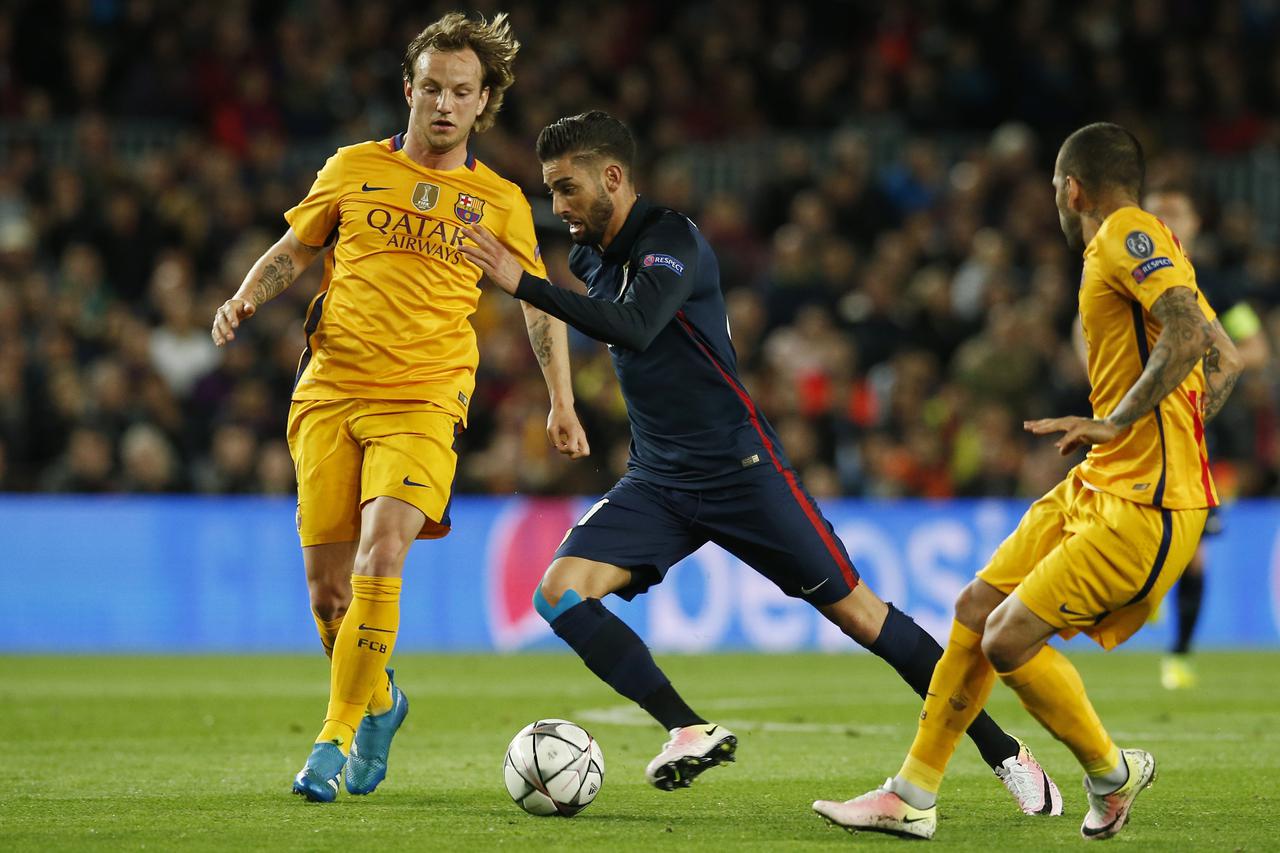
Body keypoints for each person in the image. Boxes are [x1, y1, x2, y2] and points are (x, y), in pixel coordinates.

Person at [460, 110, 1061, 816]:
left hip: (741, 469)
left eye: (566, 189)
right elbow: (591, 324)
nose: (558, 208)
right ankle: (686, 726)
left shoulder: (672, 241)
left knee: (864, 616)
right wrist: (561, 399)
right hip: (659, 477)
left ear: (613, 178)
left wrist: (519, 281)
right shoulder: (591, 253)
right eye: (550, 192)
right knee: (558, 593)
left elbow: (634, 327)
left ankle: (1010, 755)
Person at [812, 122, 1243, 841]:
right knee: (977, 606)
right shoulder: (1150, 246)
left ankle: (1111, 772)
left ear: (1071, 188)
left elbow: (1193, 338)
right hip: (1103, 484)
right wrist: (1167, 428)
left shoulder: (1126, 232)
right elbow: (1225, 360)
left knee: (1006, 641)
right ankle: (913, 792)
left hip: (1145, 503)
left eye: (1053, 187)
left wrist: (1127, 425)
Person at [211, 12, 588, 803]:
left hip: (423, 397)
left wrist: (562, 399)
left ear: (484, 102)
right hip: (329, 391)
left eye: (462, 92)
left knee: (382, 552)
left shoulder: (500, 202)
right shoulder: (351, 168)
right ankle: (382, 702)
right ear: (408, 90)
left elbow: (538, 305)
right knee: (328, 595)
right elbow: (294, 249)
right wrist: (246, 296)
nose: (445, 105)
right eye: (432, 89)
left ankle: (332, 738)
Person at [1143, 184, 1269, 690]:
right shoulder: (1125, 277)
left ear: (1195, 223)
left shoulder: (1215, 283)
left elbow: (1255, 347)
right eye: (1157, 214)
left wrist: (1202, 366)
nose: (1168, 221)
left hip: (1192, 431)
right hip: (1132, 426)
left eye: (1177, 212)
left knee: (1194, 550)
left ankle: (1180, 653)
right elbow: (1083, 335)